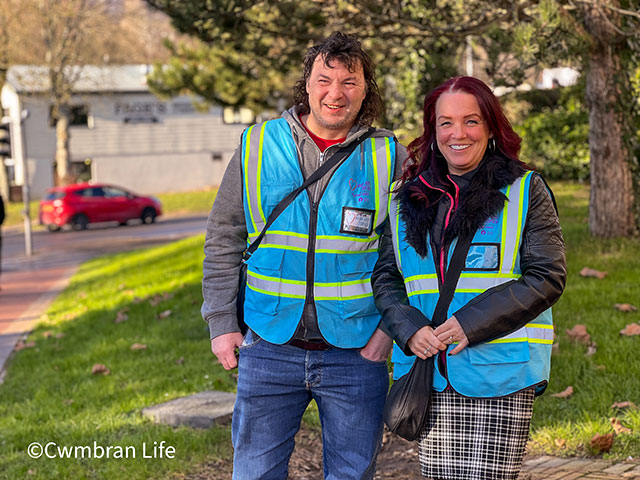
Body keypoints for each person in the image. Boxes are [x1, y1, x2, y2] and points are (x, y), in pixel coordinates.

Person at [202, 32, 406, 480]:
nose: (336, 93)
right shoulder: (257, 145)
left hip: (356, 352)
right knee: (254, 474)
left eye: (350, 81)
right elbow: (223, 238)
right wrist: (222, 324)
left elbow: (405, 258)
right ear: (307, 84)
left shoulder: (390, 156)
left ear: (366, 89)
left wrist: (387, 334)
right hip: (269, 346)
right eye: (324, 79)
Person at [371, 76, 567, 480]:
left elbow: (547, 275)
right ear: (433, 131)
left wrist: (469, 324)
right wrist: (408, 329)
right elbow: (387, 277)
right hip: (429, 371)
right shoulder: (406, 197)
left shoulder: (526, 190)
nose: (457, 133)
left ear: (491, 126)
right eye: (445, 123)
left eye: (471, 121)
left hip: (501, 370)